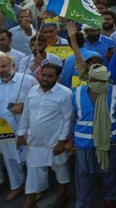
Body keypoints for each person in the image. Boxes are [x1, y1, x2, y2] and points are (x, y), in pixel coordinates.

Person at [15, 62, 73, 208]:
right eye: (43, 75)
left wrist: (62, 142)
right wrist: (21, 134)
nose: (45, 79)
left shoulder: (66, 94)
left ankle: (62, 194)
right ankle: (29, 201)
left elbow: (68, 120)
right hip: (34, 142)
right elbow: (26, 114)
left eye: (50, 76)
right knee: (33, 172)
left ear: (58, 77)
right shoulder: (33, 91)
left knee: (60, 169)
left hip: (54, 143)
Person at [71, 64, 116, 208]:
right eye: (96, 80)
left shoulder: (114, 92)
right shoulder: (76, 93)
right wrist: (68, 139)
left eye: (103, 81)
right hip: (84, 144)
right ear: (90, 79)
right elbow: (71, 119)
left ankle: (110, 199)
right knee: (84, 177)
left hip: (109, 143)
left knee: (110, 174)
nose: (100, 84)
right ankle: (83, 203)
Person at [0, 53, 38, 202]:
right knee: (10, 159)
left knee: (31, 159)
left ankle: (37, 188)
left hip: (26, 129)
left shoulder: (28, 80)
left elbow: (42, 99)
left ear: (12, 65)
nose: (1, 70)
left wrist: (25, 106)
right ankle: (17, 186)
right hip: (4, 128)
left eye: (3, 66)